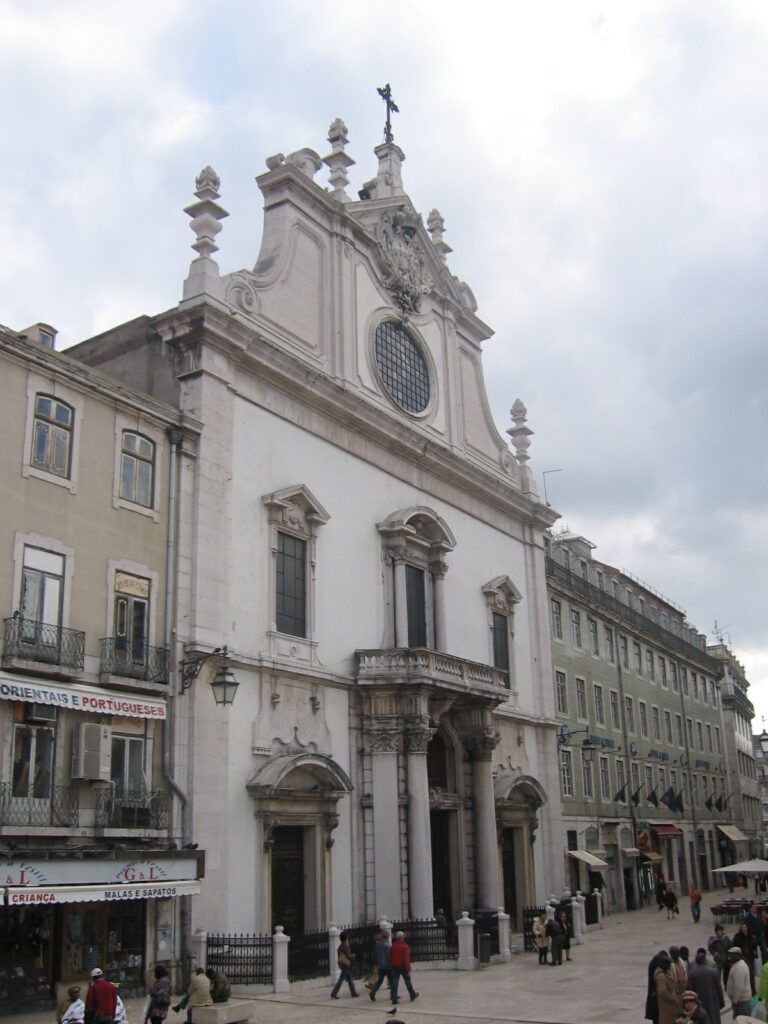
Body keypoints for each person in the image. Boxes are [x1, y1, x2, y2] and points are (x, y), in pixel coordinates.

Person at [688, 947, 725, 1024]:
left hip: (699, 1005)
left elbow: (690, 992)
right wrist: (721, 1002)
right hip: (712, 1003)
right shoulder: (713, 972)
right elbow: (719, 988)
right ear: (705, 961)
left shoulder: (691, 974)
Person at [388, 930, 418, 1005]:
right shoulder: (405, 947)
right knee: (408, 982)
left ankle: (394, 998)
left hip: (395, 967)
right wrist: (408, 969)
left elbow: (390, 957)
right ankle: (412, 995)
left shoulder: (393, 946)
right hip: (403, 967)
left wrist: (391, 965)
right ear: (402, 937)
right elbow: (406, 959)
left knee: (395, 982)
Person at [655, 950, 682, 1024]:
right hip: (667, 1006)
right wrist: (673, 999)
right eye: (668, 964)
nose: (670, 965)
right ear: (663, 964)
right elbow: (663, 992)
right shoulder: (661, 976)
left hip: (670, 1006)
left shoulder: (666, 972)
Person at [732, 922, 758, 996]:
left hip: (750, 959)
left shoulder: (751, 937)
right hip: (741, 959)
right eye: (742, 927)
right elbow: (733, 946)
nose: (744, 929)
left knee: (751, 976)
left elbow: (754, 946)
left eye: (745, 927)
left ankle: (753, 992)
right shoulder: (737, 937)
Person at [726, 947, 752, 1019]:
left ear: (738, 955)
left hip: (741, 1001)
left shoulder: (739, 967)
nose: (730, 957)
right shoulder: (737, 964)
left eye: (732, 955)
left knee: (741, 1019)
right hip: (740, 1001)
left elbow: (739, 986)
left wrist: (735, 1000)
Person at [330, 931, 358, 999]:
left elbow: (338, 952)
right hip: (346, 964)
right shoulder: (345, 945)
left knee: (349, 978)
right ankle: (334, 993)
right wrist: (353, 957)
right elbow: (348, 955)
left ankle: (353, 993)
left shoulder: (341, 945)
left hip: (343, 963)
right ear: (346, 937)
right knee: (341, 979)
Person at [369, 929, 392, 1001]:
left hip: (380, 965)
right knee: (392, 981)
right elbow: (389, 956)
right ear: (387, 937)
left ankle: (372, 992)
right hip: (387, 966)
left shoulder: (377, 944)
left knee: (380, 980)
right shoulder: (387, 945)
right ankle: (393, 995)